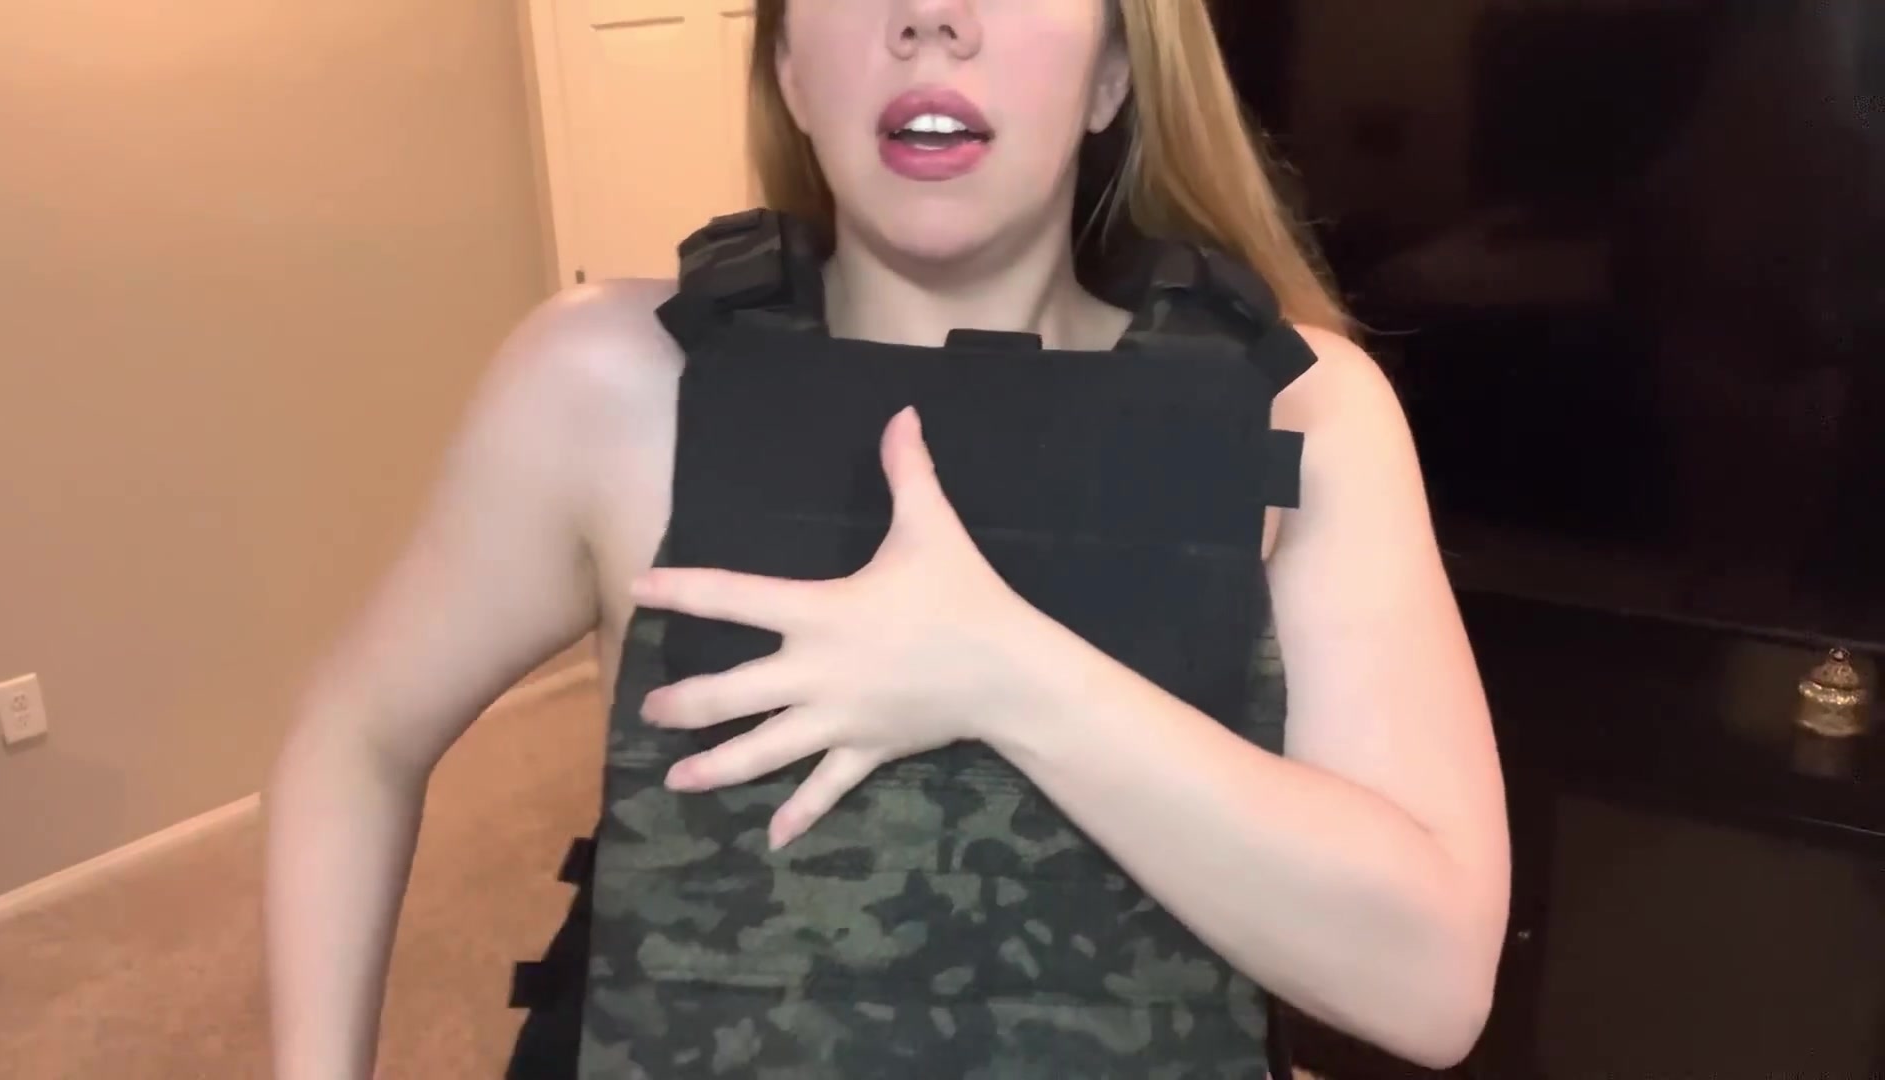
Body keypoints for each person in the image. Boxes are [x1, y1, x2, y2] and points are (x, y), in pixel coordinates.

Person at [263, 1, 1511, 1077]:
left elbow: (1434, 988)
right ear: (790, 69)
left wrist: (1000, 674)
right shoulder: (604, 384)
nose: (930, 17)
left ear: (1113, 73)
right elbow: (355, 737)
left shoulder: (1304, 413)